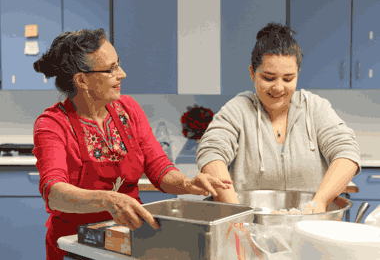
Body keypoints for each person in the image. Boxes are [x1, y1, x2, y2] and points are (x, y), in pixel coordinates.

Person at [32, 28, 231, 259]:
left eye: (119, 64)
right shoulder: (52, 125)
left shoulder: (129, 110)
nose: (122, 74)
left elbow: (159, 168)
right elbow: (53, 192)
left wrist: (188, 184)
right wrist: (109, 200)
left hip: (130, 241)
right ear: (82, 80)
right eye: (111, 69)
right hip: (75, 246)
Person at [196, 22, 361, 213]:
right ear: (252, 73)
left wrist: (320, 202)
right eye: (268, 78)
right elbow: (211, 154)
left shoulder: (315, 108)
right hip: (248, 228)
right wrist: (235, 212)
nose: (279, 88)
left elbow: (347, 153)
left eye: (288, 78)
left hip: (309, 227)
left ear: (298, 74)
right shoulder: (237, 110)